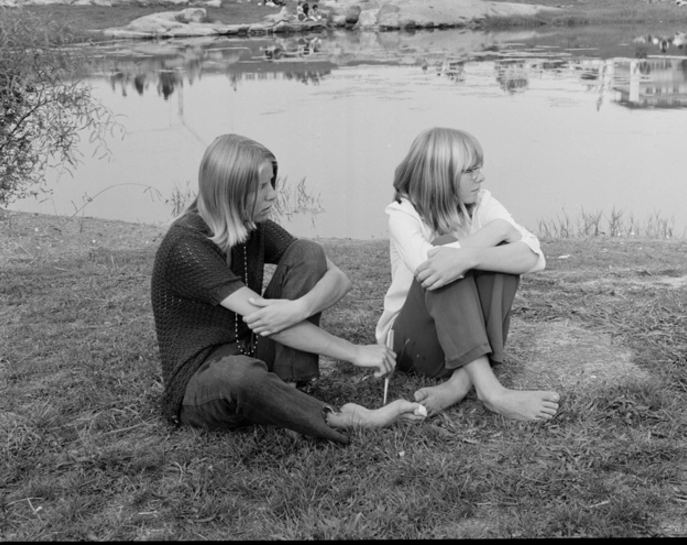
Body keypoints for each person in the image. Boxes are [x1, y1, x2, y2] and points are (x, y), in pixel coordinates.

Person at [151, 134, 424, 444]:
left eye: (272, 183)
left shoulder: (250, 225)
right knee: (241, 376)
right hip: (202, 383)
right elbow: (270, 323)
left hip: (250, 348)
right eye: (260, 187)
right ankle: (342, 417)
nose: (273, 195)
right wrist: (356, 352)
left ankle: (289, 392)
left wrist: (299, 307)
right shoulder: (186, 246)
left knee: (307, 252)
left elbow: (338, 278)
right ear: (229, 191)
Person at [376, 127, 560, 422]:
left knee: (498, 252)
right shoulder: (403, 213)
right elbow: (431, 267)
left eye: (480, 168)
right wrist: (475, 246)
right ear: (442, 175)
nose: (481, 177)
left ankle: (459, 383)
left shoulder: (481, 202)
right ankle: (491, 393)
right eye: (470, 171)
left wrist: (472, 255)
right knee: (446, 252)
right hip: (414, 346)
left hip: (461, 337)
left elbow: (533, 257)